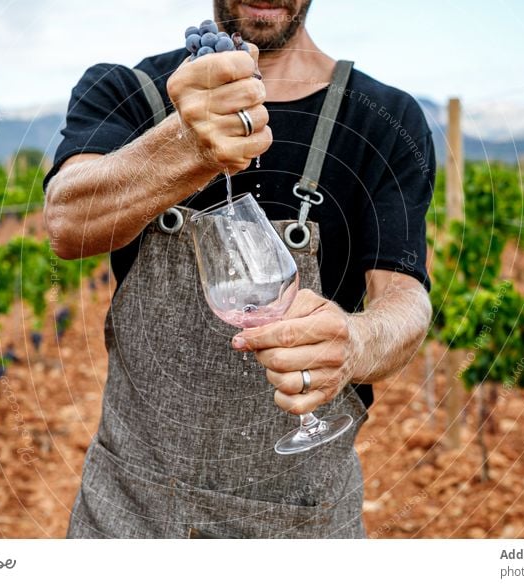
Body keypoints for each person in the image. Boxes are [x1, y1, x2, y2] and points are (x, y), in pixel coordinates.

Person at [43, 0, 434, 538]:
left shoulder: (384, 119)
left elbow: (406, 300)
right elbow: (67, 224)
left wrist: (355, 342)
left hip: (301, 522)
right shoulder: (127, 90)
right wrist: (185, 144)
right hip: (128, 514)